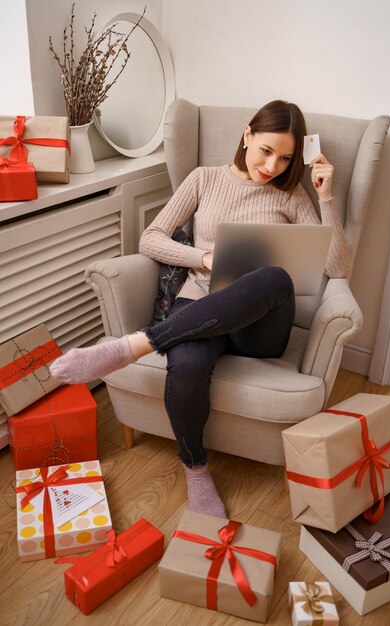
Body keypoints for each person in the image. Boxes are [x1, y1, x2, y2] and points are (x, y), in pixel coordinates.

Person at [50, 100, 351, 519]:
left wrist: (327, 198)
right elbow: (150, 239)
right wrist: (206, 258)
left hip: (261, 325)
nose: (273, 165)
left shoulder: (292, 194)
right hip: (202, 305)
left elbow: (338, 268)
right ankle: (195, 466)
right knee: (186, 362)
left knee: (274, 277)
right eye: (266, 150)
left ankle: (132, 347)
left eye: (285, 158)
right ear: (247, 135)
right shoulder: (204, 179)